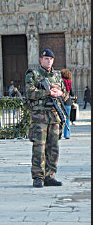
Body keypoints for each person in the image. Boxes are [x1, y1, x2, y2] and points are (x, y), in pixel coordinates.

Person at [25, 48, 68, 188]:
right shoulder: (33, 74)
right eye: (46, 59)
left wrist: (60, 92)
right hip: (39, 116)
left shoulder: (57, 76)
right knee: (39, 148)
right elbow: (29, 92)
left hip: (54, 116)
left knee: (53, 148)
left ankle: (50, 176)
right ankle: (38, 177)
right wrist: (47, 92)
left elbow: (66, 95)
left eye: (50, 59)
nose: (48, 61)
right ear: (40, 60)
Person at [61, 69, 74, 139]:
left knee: (59, 118)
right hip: (68, 102)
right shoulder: (69, 82)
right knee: (67, 119)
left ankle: (58, 134)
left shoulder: (60, 81)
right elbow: (72, 93)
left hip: (60, 102)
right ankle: (67, 135)